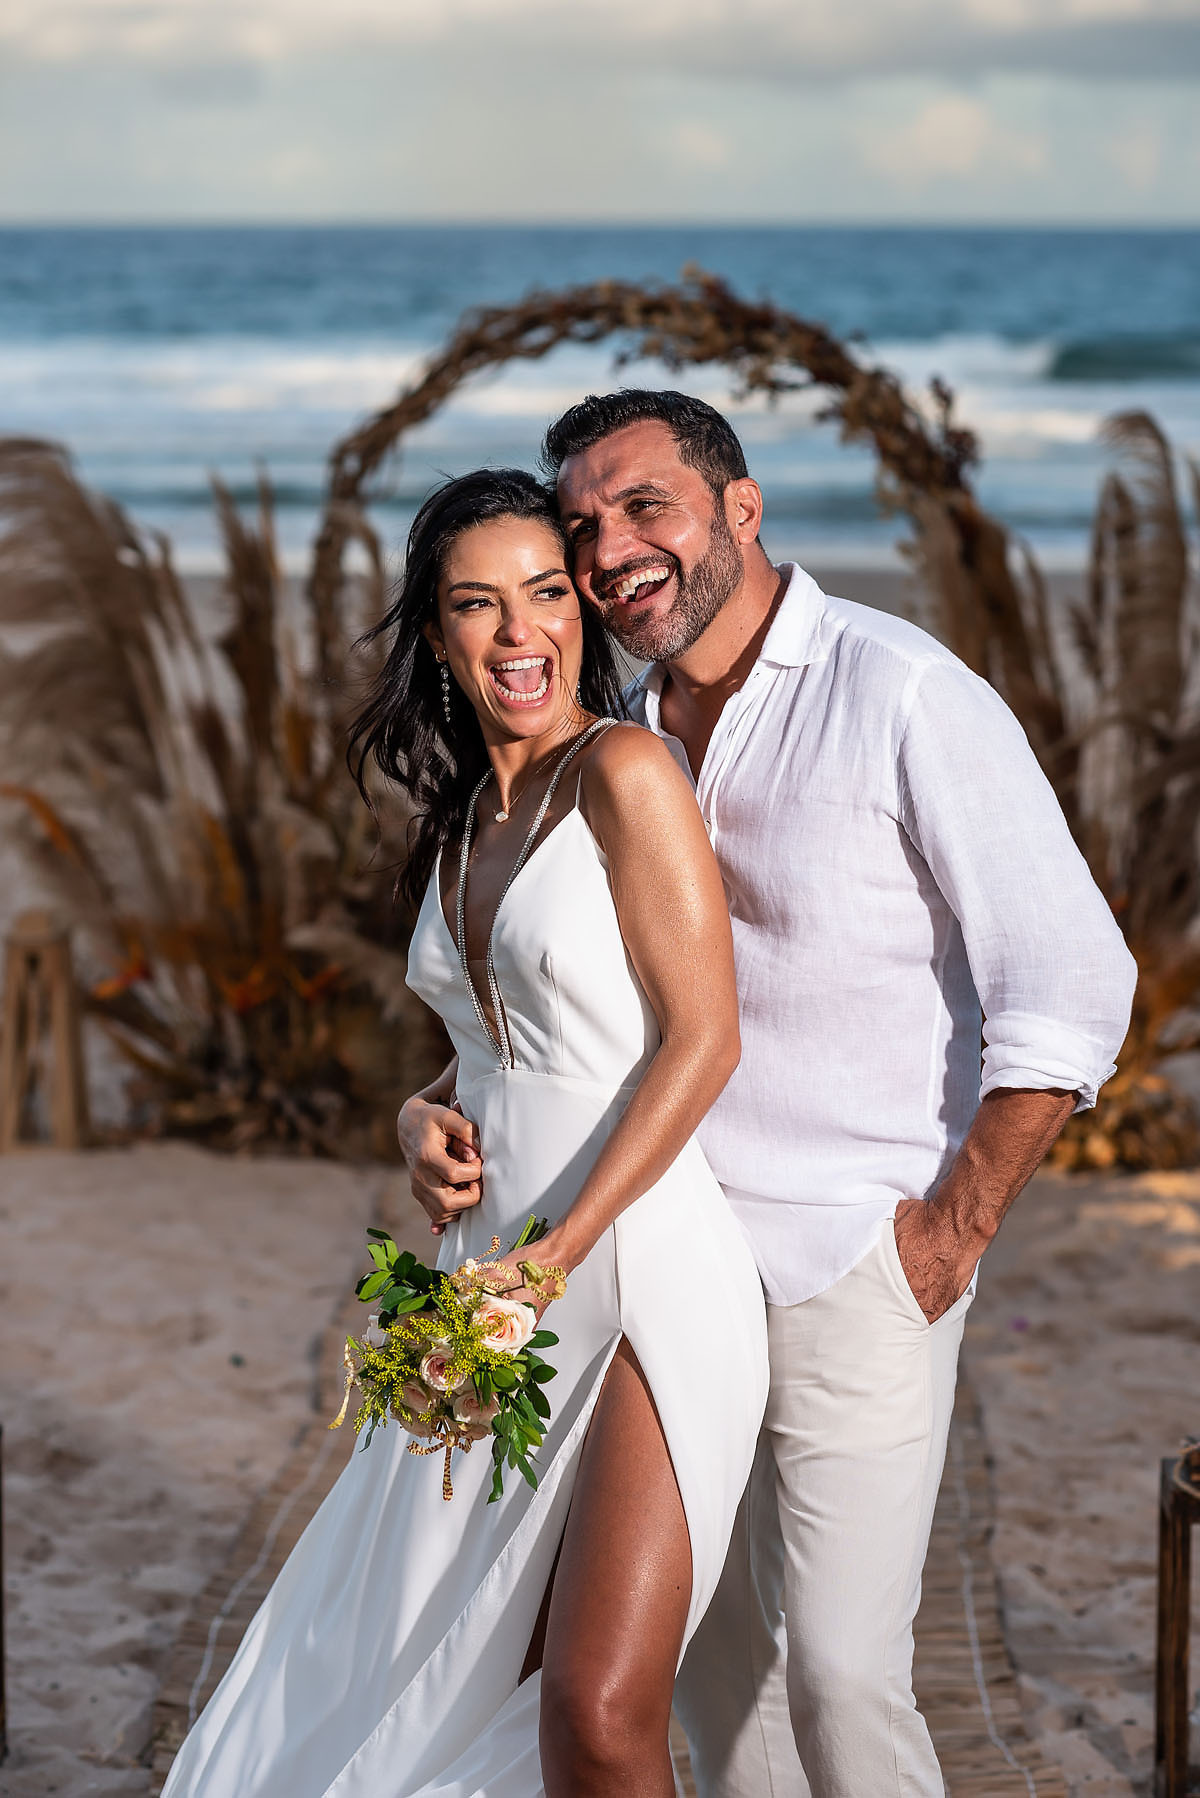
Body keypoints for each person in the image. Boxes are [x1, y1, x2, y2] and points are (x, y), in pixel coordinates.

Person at [400, 394, 1137, 1798]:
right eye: (586, 527)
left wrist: (948, 1229)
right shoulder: (613, 725)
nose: (612, 550)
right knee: (718, 1673)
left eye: (648, 507)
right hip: (665, 1260)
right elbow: (572, 1011)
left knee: (844, 1669)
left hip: (849, 1252)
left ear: (742, 509)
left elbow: (1072, 983)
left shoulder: (901, 690)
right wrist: (422, 1112)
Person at [159, 467, 768, 1798]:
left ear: (582, 613)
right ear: (436, 634)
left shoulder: (625, 770)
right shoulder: (460, 823)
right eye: (478, 604)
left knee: (599, 1710)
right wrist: (412, 1113)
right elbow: (499, 1044)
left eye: (548, 594)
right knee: (455, 1675)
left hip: (636, 1276)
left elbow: (700, 1038)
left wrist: (562, 1250)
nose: (519, 634)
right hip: (483, 1290)